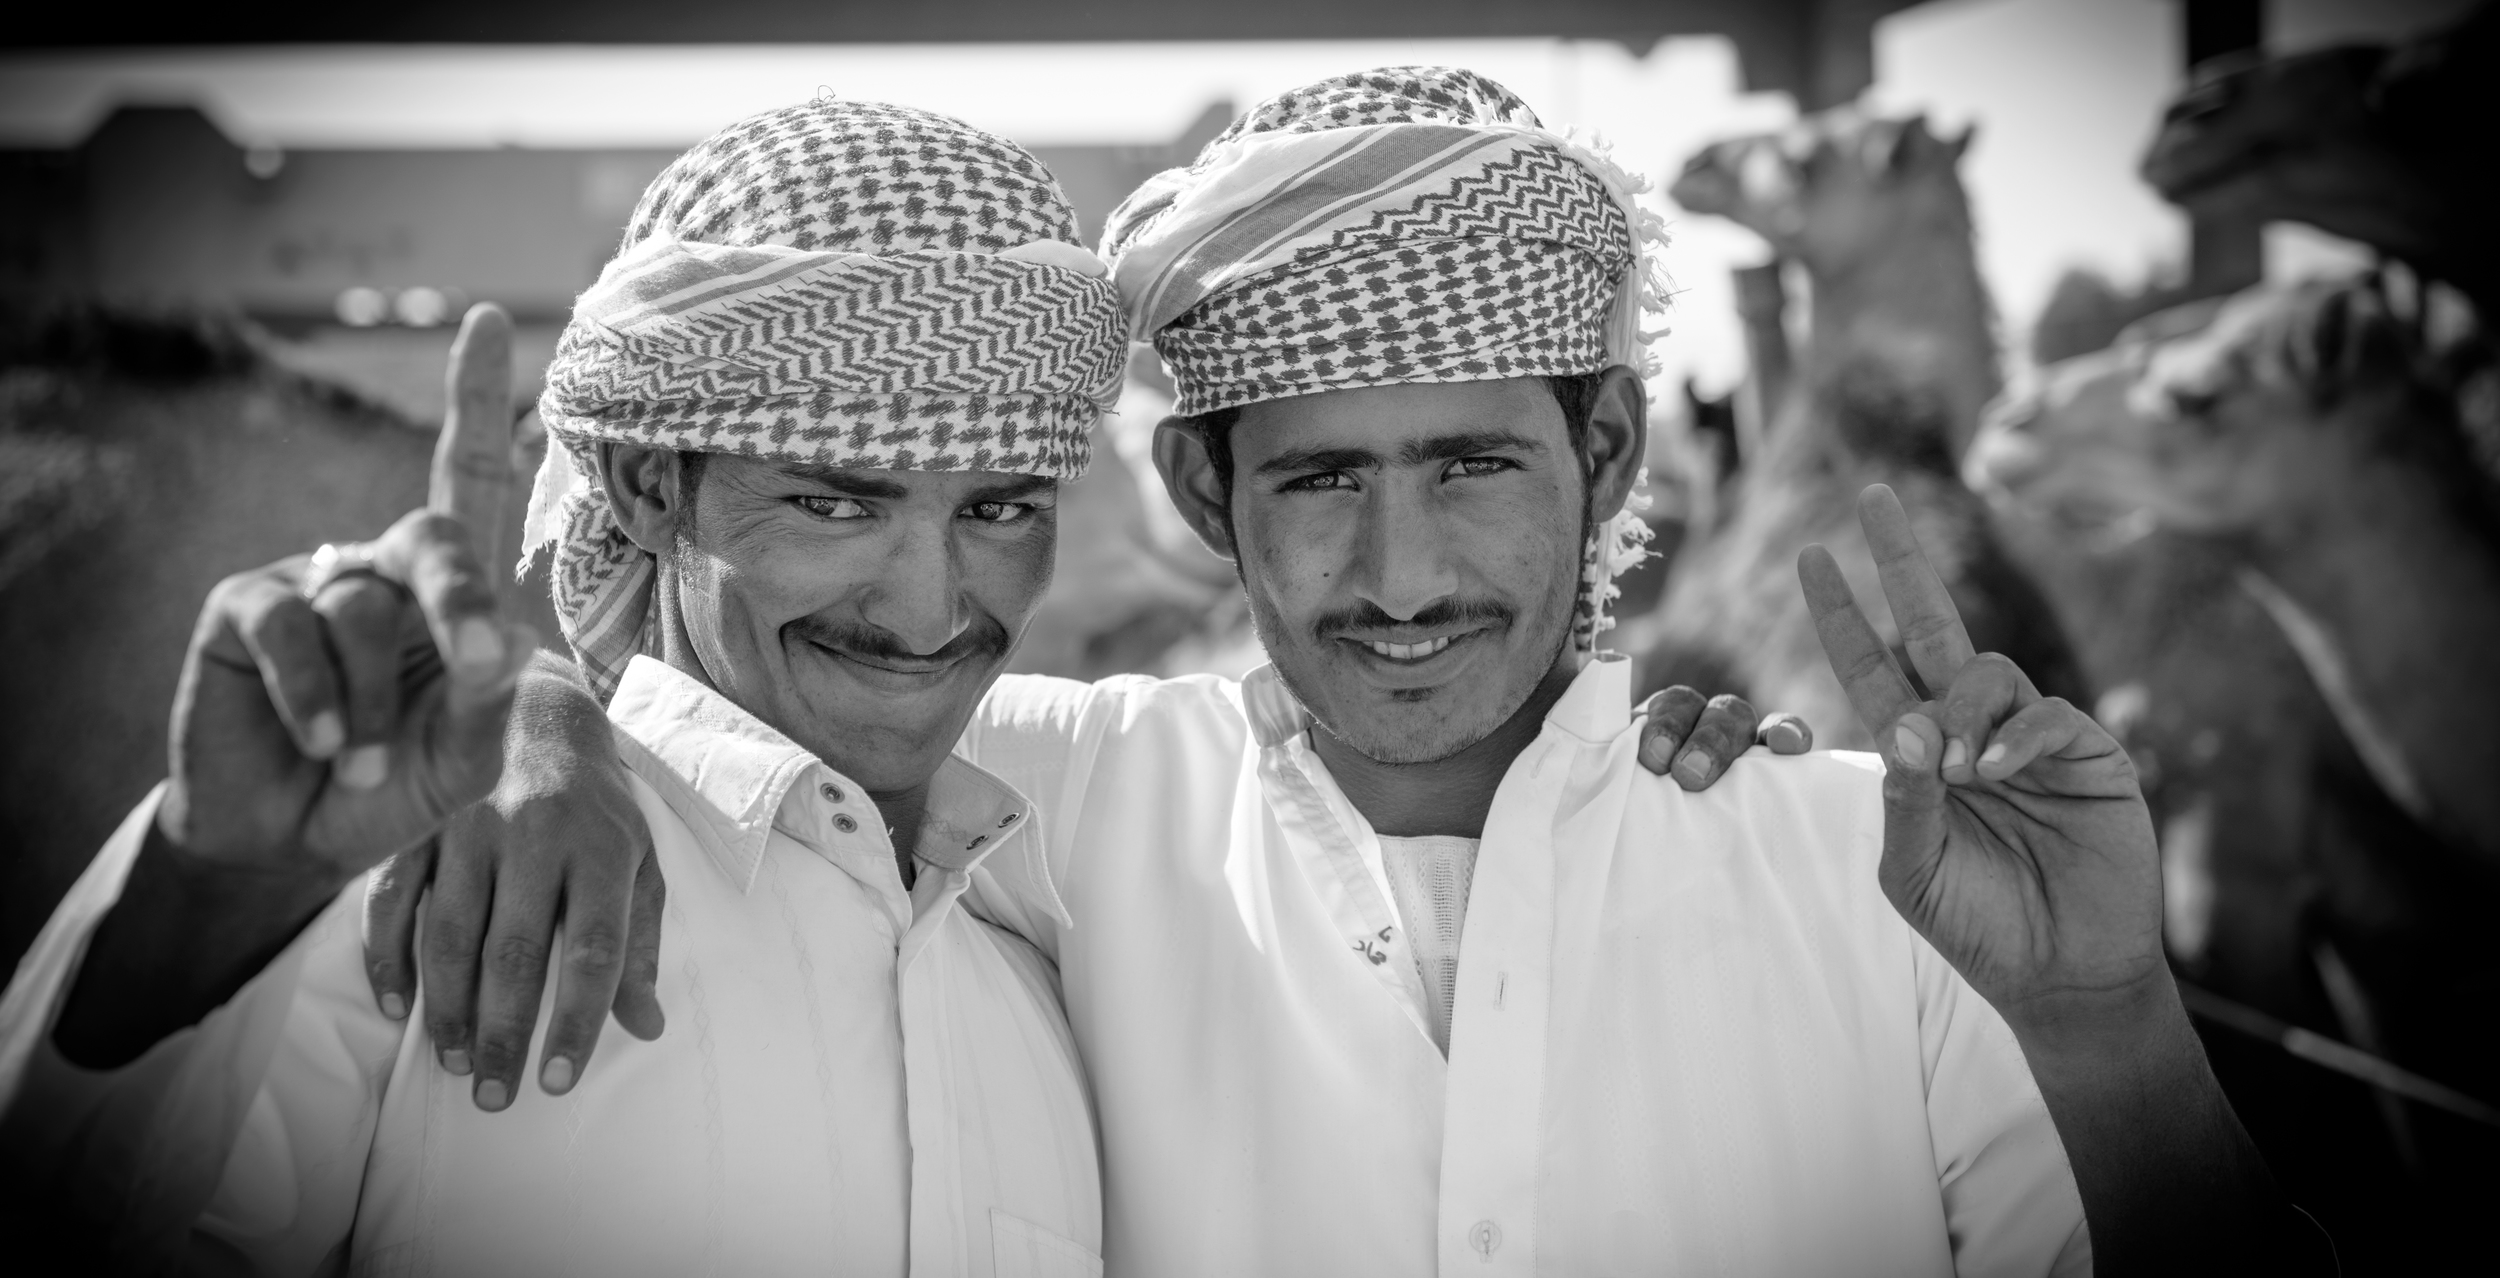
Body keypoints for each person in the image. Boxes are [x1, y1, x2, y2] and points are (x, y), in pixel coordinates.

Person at [389, 70, 2322, 1274]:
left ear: (1614, 463)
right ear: (1201, 489)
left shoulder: (1875, 872)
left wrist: (2111, 1026)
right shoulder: (1035, 807)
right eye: (1320, 478)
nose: (1399, 577)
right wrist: (542, 722)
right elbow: (740, 733)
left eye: (1474, 465)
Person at [0, 99, 1149, 1275]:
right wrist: (213, 887)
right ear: (651, 488)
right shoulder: (444, 888)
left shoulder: (1047, 976)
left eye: (999, 510)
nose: (930, 612)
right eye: (834, 502)